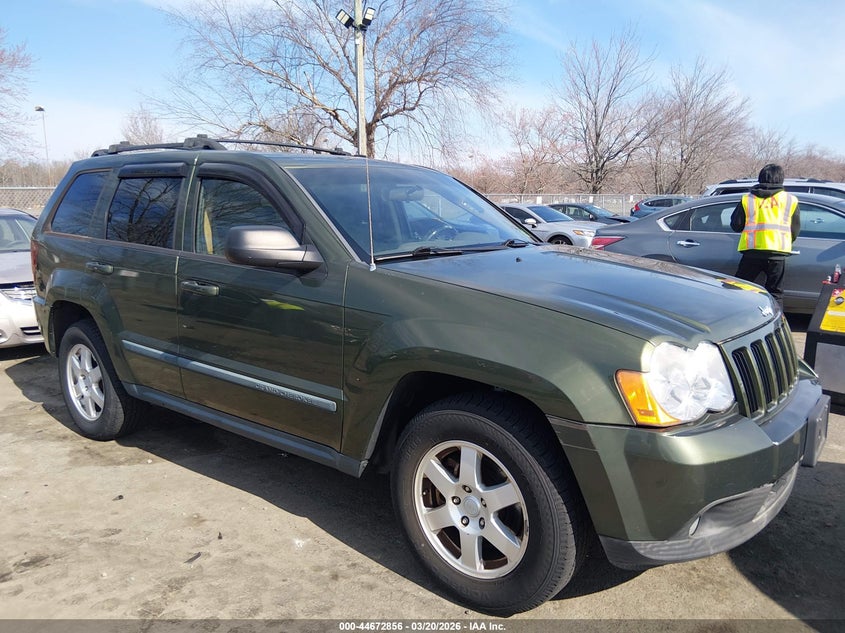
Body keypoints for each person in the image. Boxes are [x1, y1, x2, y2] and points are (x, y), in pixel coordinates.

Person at [730, 163, 800, 308]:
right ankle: (774, 324)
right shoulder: (790, 200)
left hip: (752, 251)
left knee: (740, 289)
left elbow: (736, 225)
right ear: (781, 179)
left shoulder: (747, 199)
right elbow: (794, 230)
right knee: (776, 293)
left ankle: (739, 320)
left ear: (760, 177)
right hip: (777, 254)